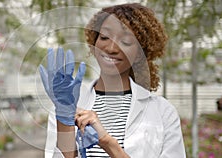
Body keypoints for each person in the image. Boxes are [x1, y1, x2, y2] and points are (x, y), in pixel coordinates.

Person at [40, 3, 186, 158]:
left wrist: (108, 143)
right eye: (104, 37)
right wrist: (64, 120)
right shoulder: (69, 105)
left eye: (126, 41)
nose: (111, 48)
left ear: (140, 53)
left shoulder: (163, 112)